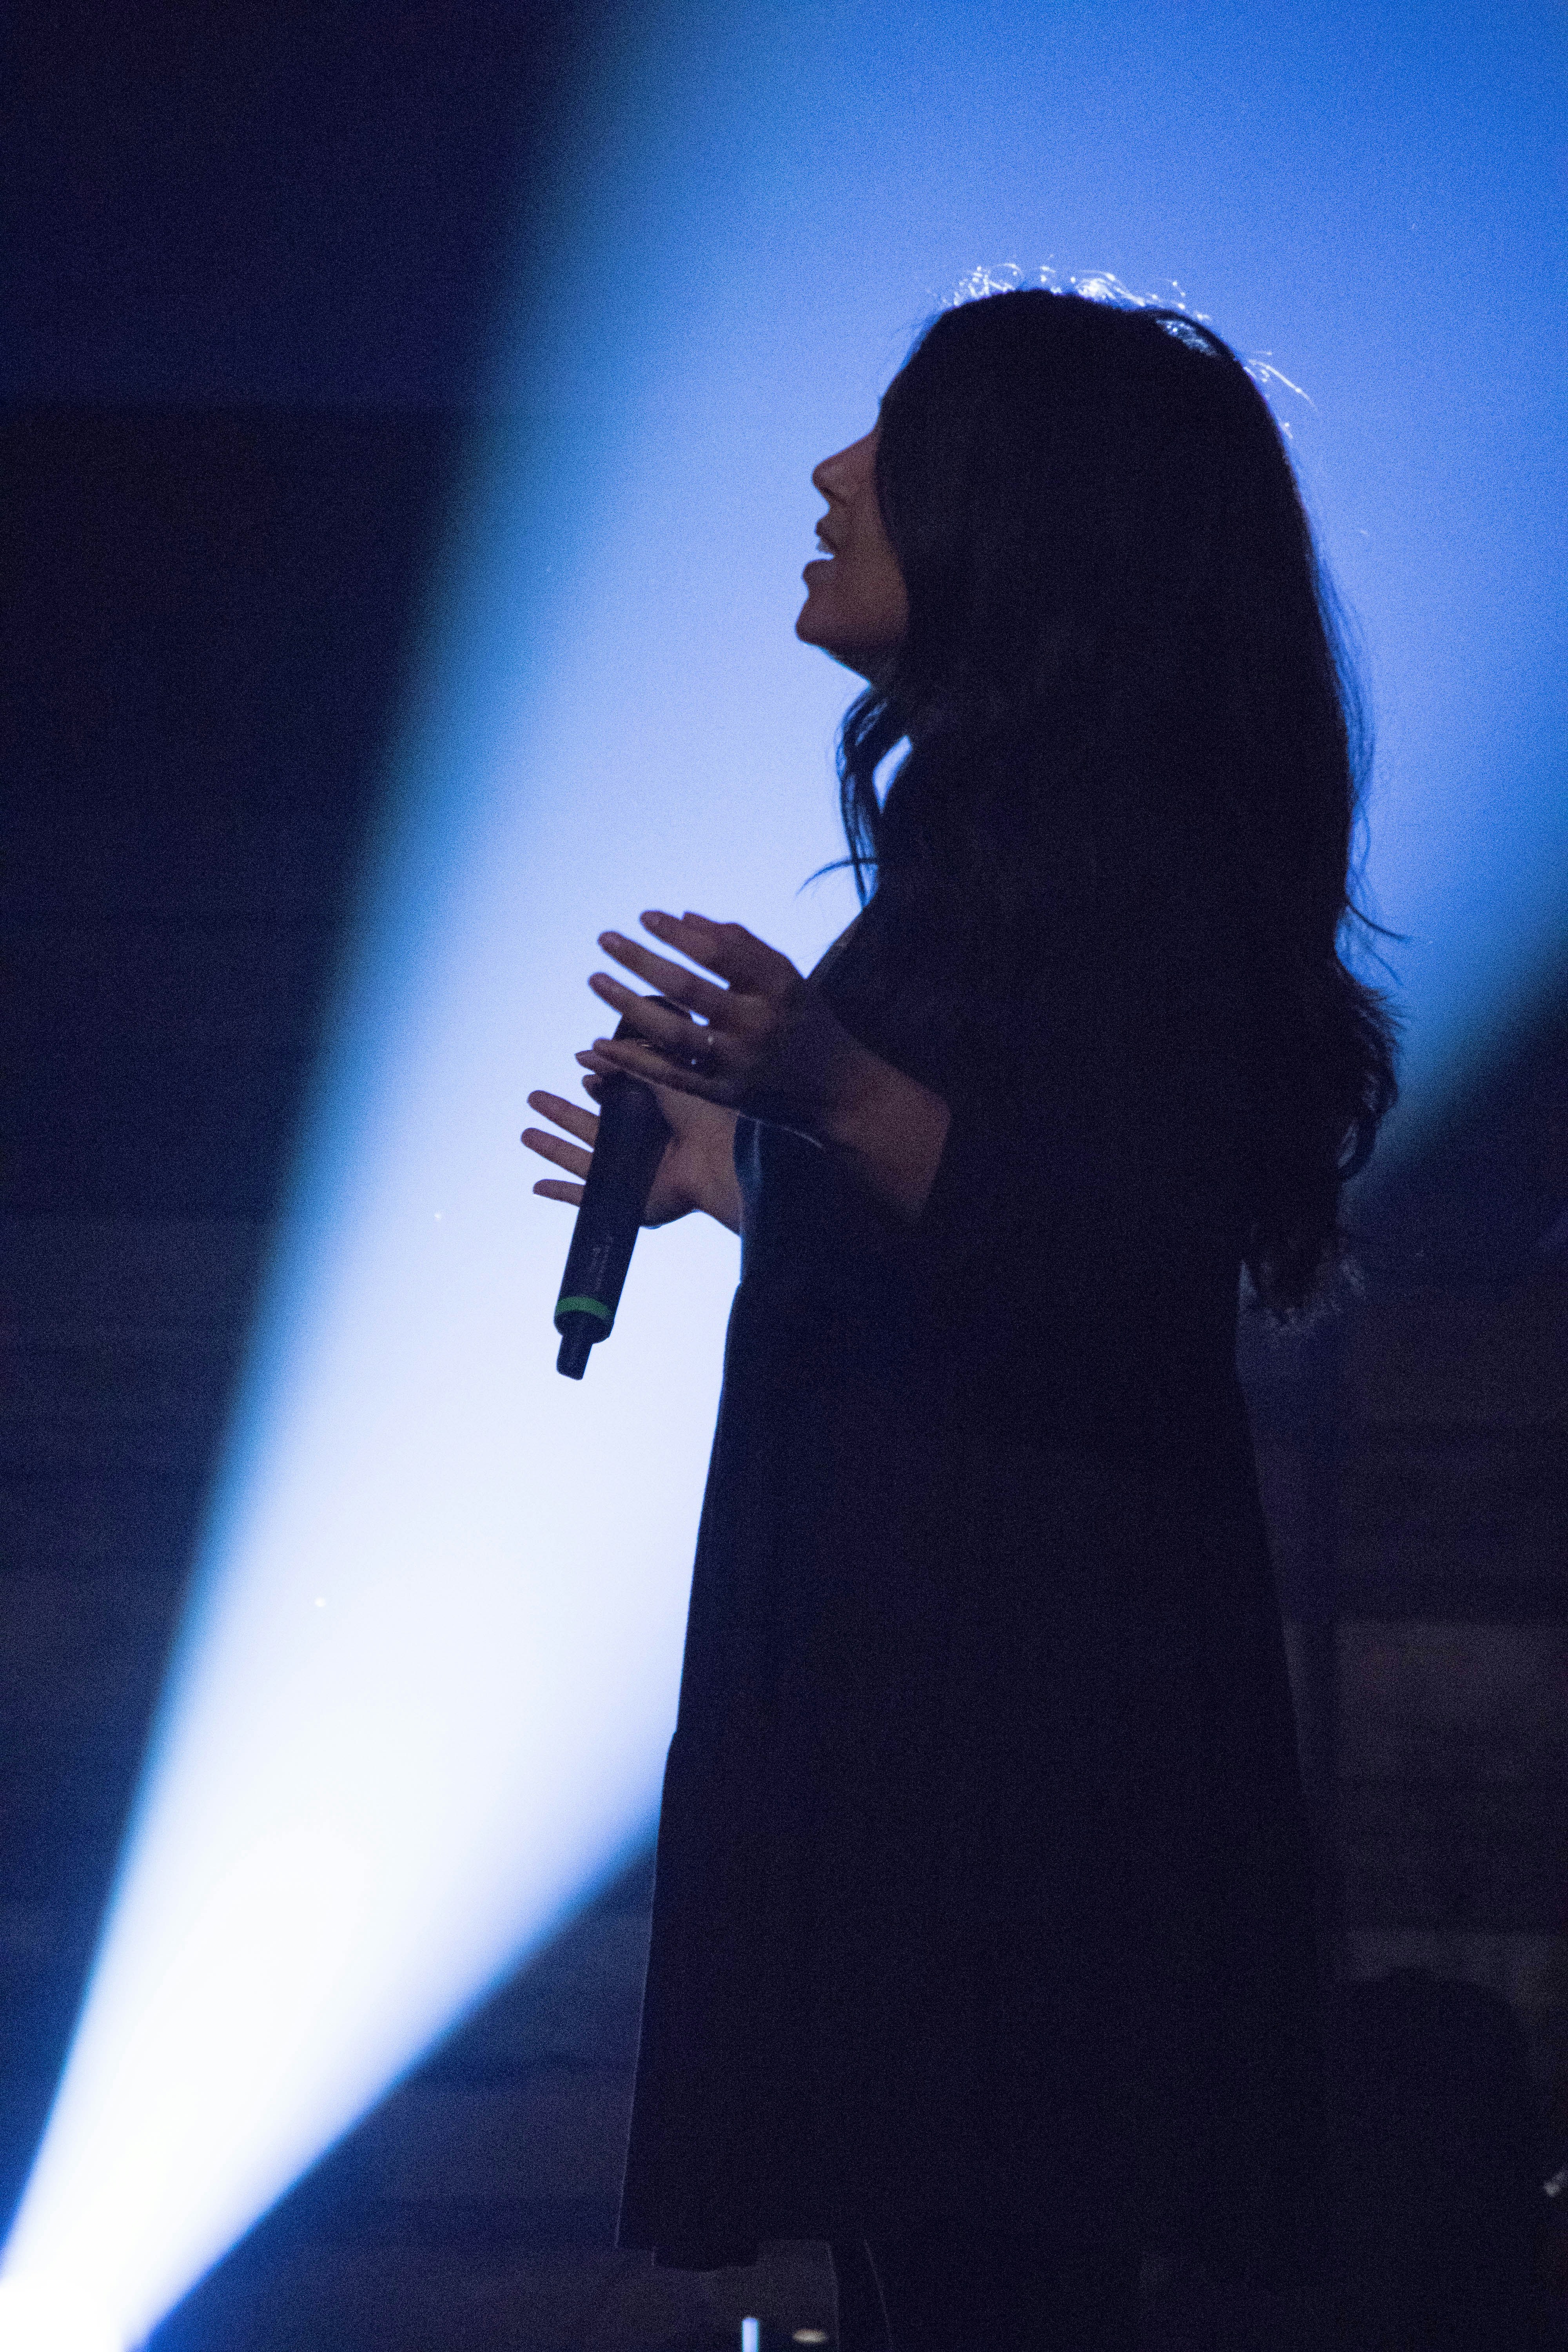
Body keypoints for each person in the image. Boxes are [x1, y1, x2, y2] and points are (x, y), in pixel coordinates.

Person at [522, 287, 1398, 2352]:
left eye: (891, 450)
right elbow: (1002, 1257)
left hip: (1026, 1781)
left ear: (1032, 519)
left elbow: (1130, 1270)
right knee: (932, 2281)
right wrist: (744, 1179)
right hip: (907, 1726)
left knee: (1004, 2276)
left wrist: (833, 1092)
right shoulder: (975, 874)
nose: (834, 483)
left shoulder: (1157, 872)